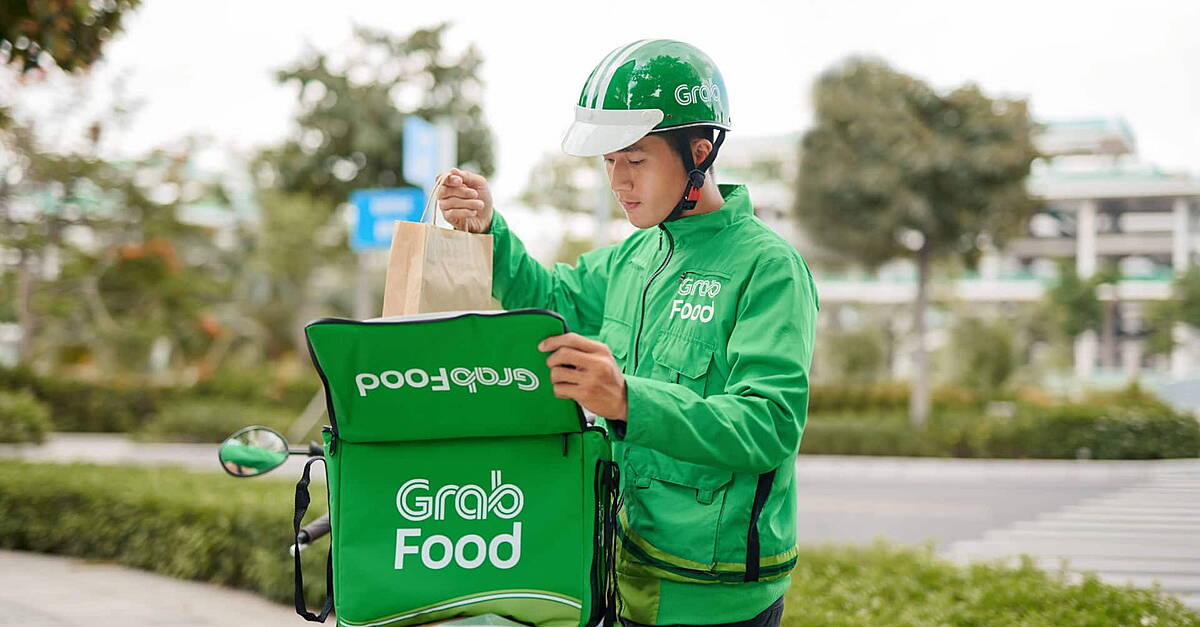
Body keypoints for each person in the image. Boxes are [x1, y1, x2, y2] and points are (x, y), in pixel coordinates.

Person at [437, 39, 818, 627]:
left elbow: (768, 424)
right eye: (610, 161)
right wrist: (491, 228)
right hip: (626, 567)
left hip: (714, 594)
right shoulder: (635, 256)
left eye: (635, 161)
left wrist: (626, 400)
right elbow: (553, 301)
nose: (618, 181)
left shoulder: (768, 268)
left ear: (699, 152)